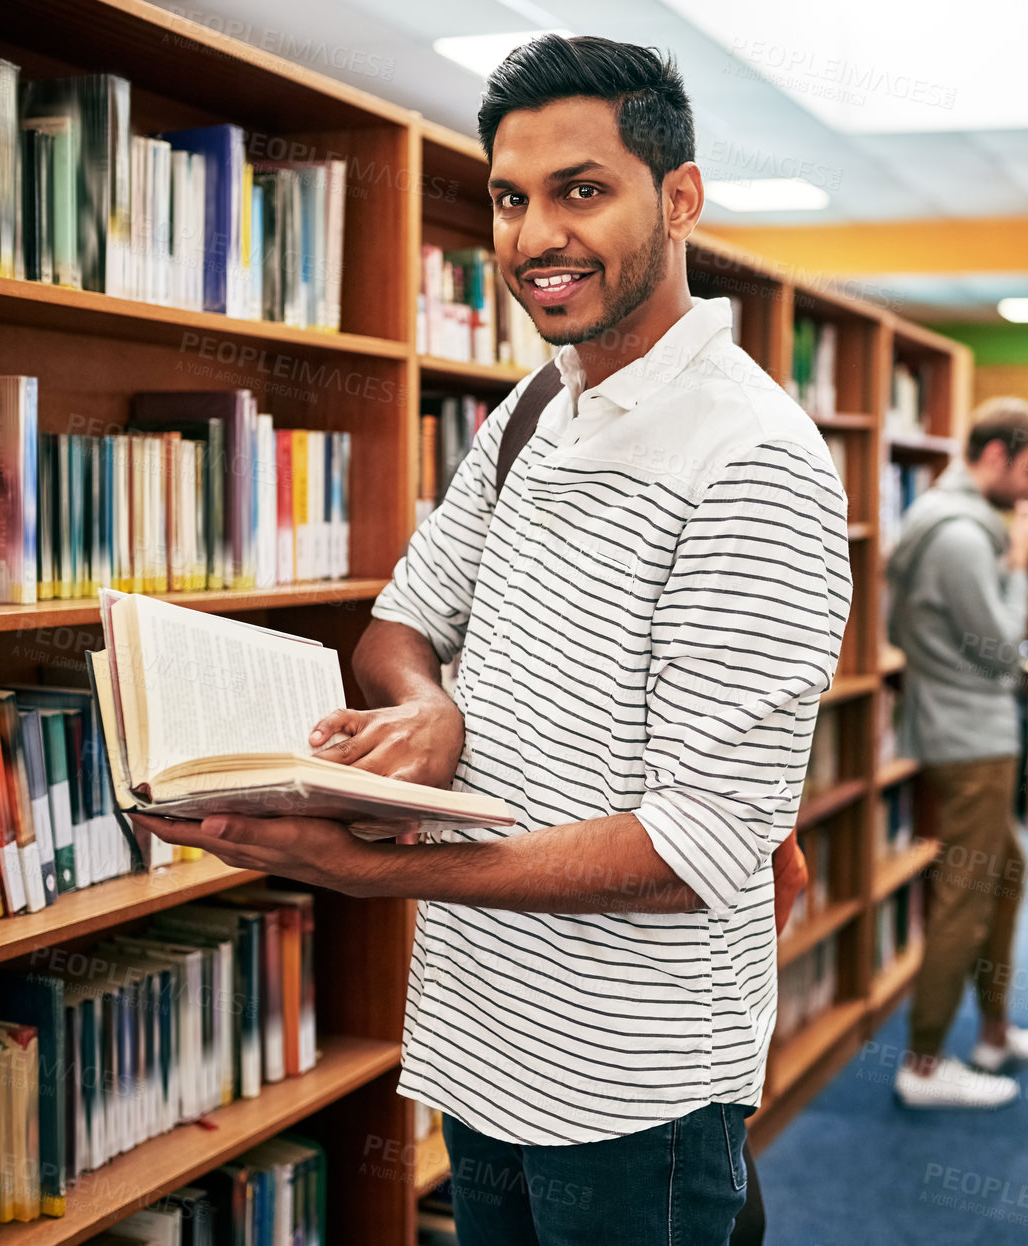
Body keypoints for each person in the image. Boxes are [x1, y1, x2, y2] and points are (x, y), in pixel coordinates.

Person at [135, 34, 849, 1243]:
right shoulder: (531, 409)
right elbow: (400, 625)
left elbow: (696, 851)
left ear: (678, 199)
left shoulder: (755, 461)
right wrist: (438, 708)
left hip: (635, 1085)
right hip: (478, 1034)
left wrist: (378, 871)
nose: (533, 236)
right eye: (510, 199)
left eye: (581, 189)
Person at [883, 397, 1028, 1109]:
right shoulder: (959, 535)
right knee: (964, 891)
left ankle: (992, 1028)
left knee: (1005, 871)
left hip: (960, 725)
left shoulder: (941, 517)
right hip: (970, 736)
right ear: (992, 456)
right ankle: (923, 1065)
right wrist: (1018, 560)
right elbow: (998, 648)